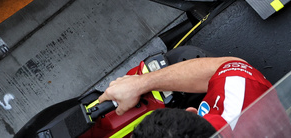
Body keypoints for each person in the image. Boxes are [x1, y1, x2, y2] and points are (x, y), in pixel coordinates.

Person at [98, 55, 275, 137]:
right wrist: (139, 84)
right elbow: (232, 67)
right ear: (190, 112)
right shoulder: (244, 100)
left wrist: (141, 82)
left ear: (192, 111)